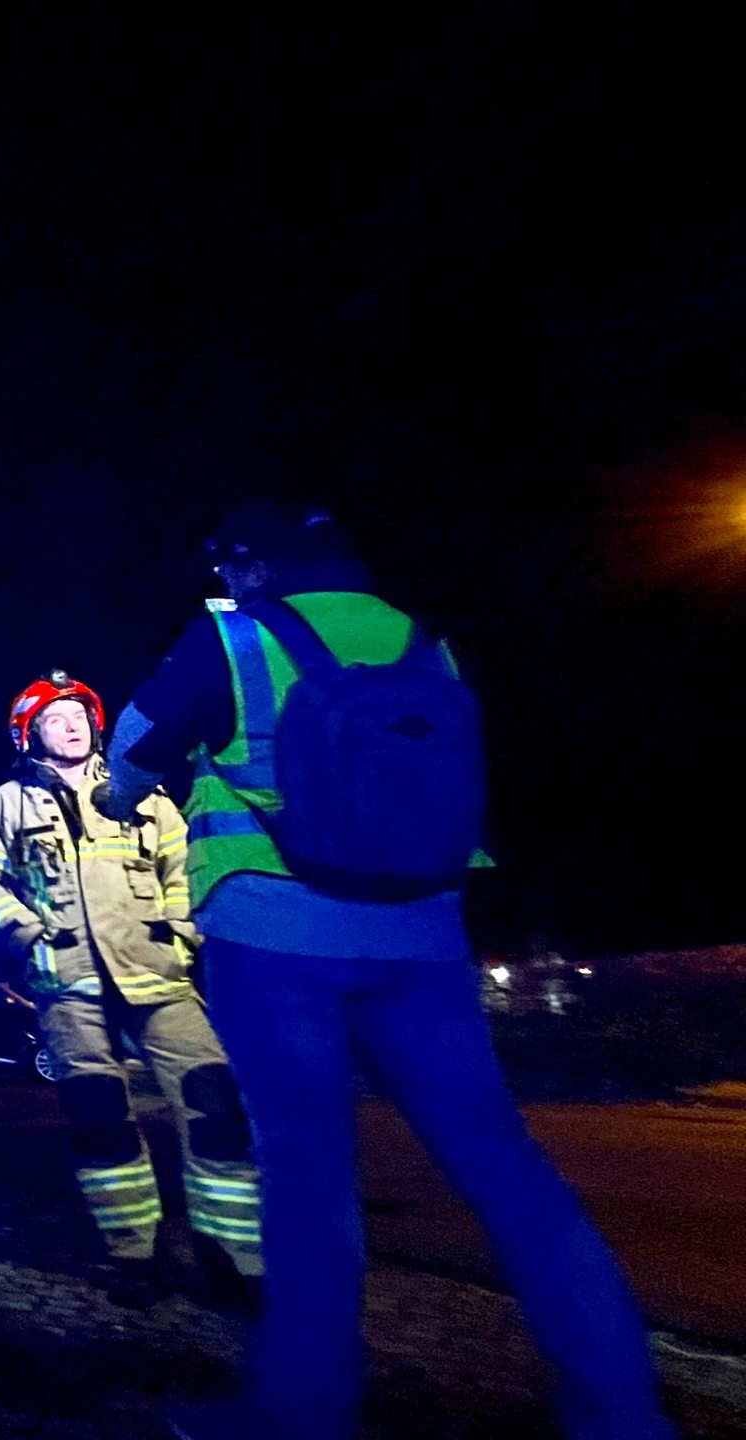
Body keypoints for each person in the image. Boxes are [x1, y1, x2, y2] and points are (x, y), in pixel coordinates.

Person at [94, 503, 672, 1440]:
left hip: (278, 941)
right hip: (426, 942)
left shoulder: (231, 637)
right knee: (507, 1169)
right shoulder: (422, 640)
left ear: (248, 566)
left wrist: (145, 790)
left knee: (310, 1180)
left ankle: (303, 1413)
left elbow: (127, 760)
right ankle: (623, 1412)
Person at [0, 671, 264, 1310]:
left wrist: (183, 936)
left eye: (79, 714)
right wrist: (27, 935)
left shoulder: (138, 790)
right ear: (30, 736)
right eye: (55, 719)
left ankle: (235, 1260)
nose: (72, 725)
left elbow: (183, 868)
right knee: (99, 1118)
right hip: (67, 982)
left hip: (158, 975)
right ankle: (132, 1255)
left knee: (215, 1104)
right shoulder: (7, 804)